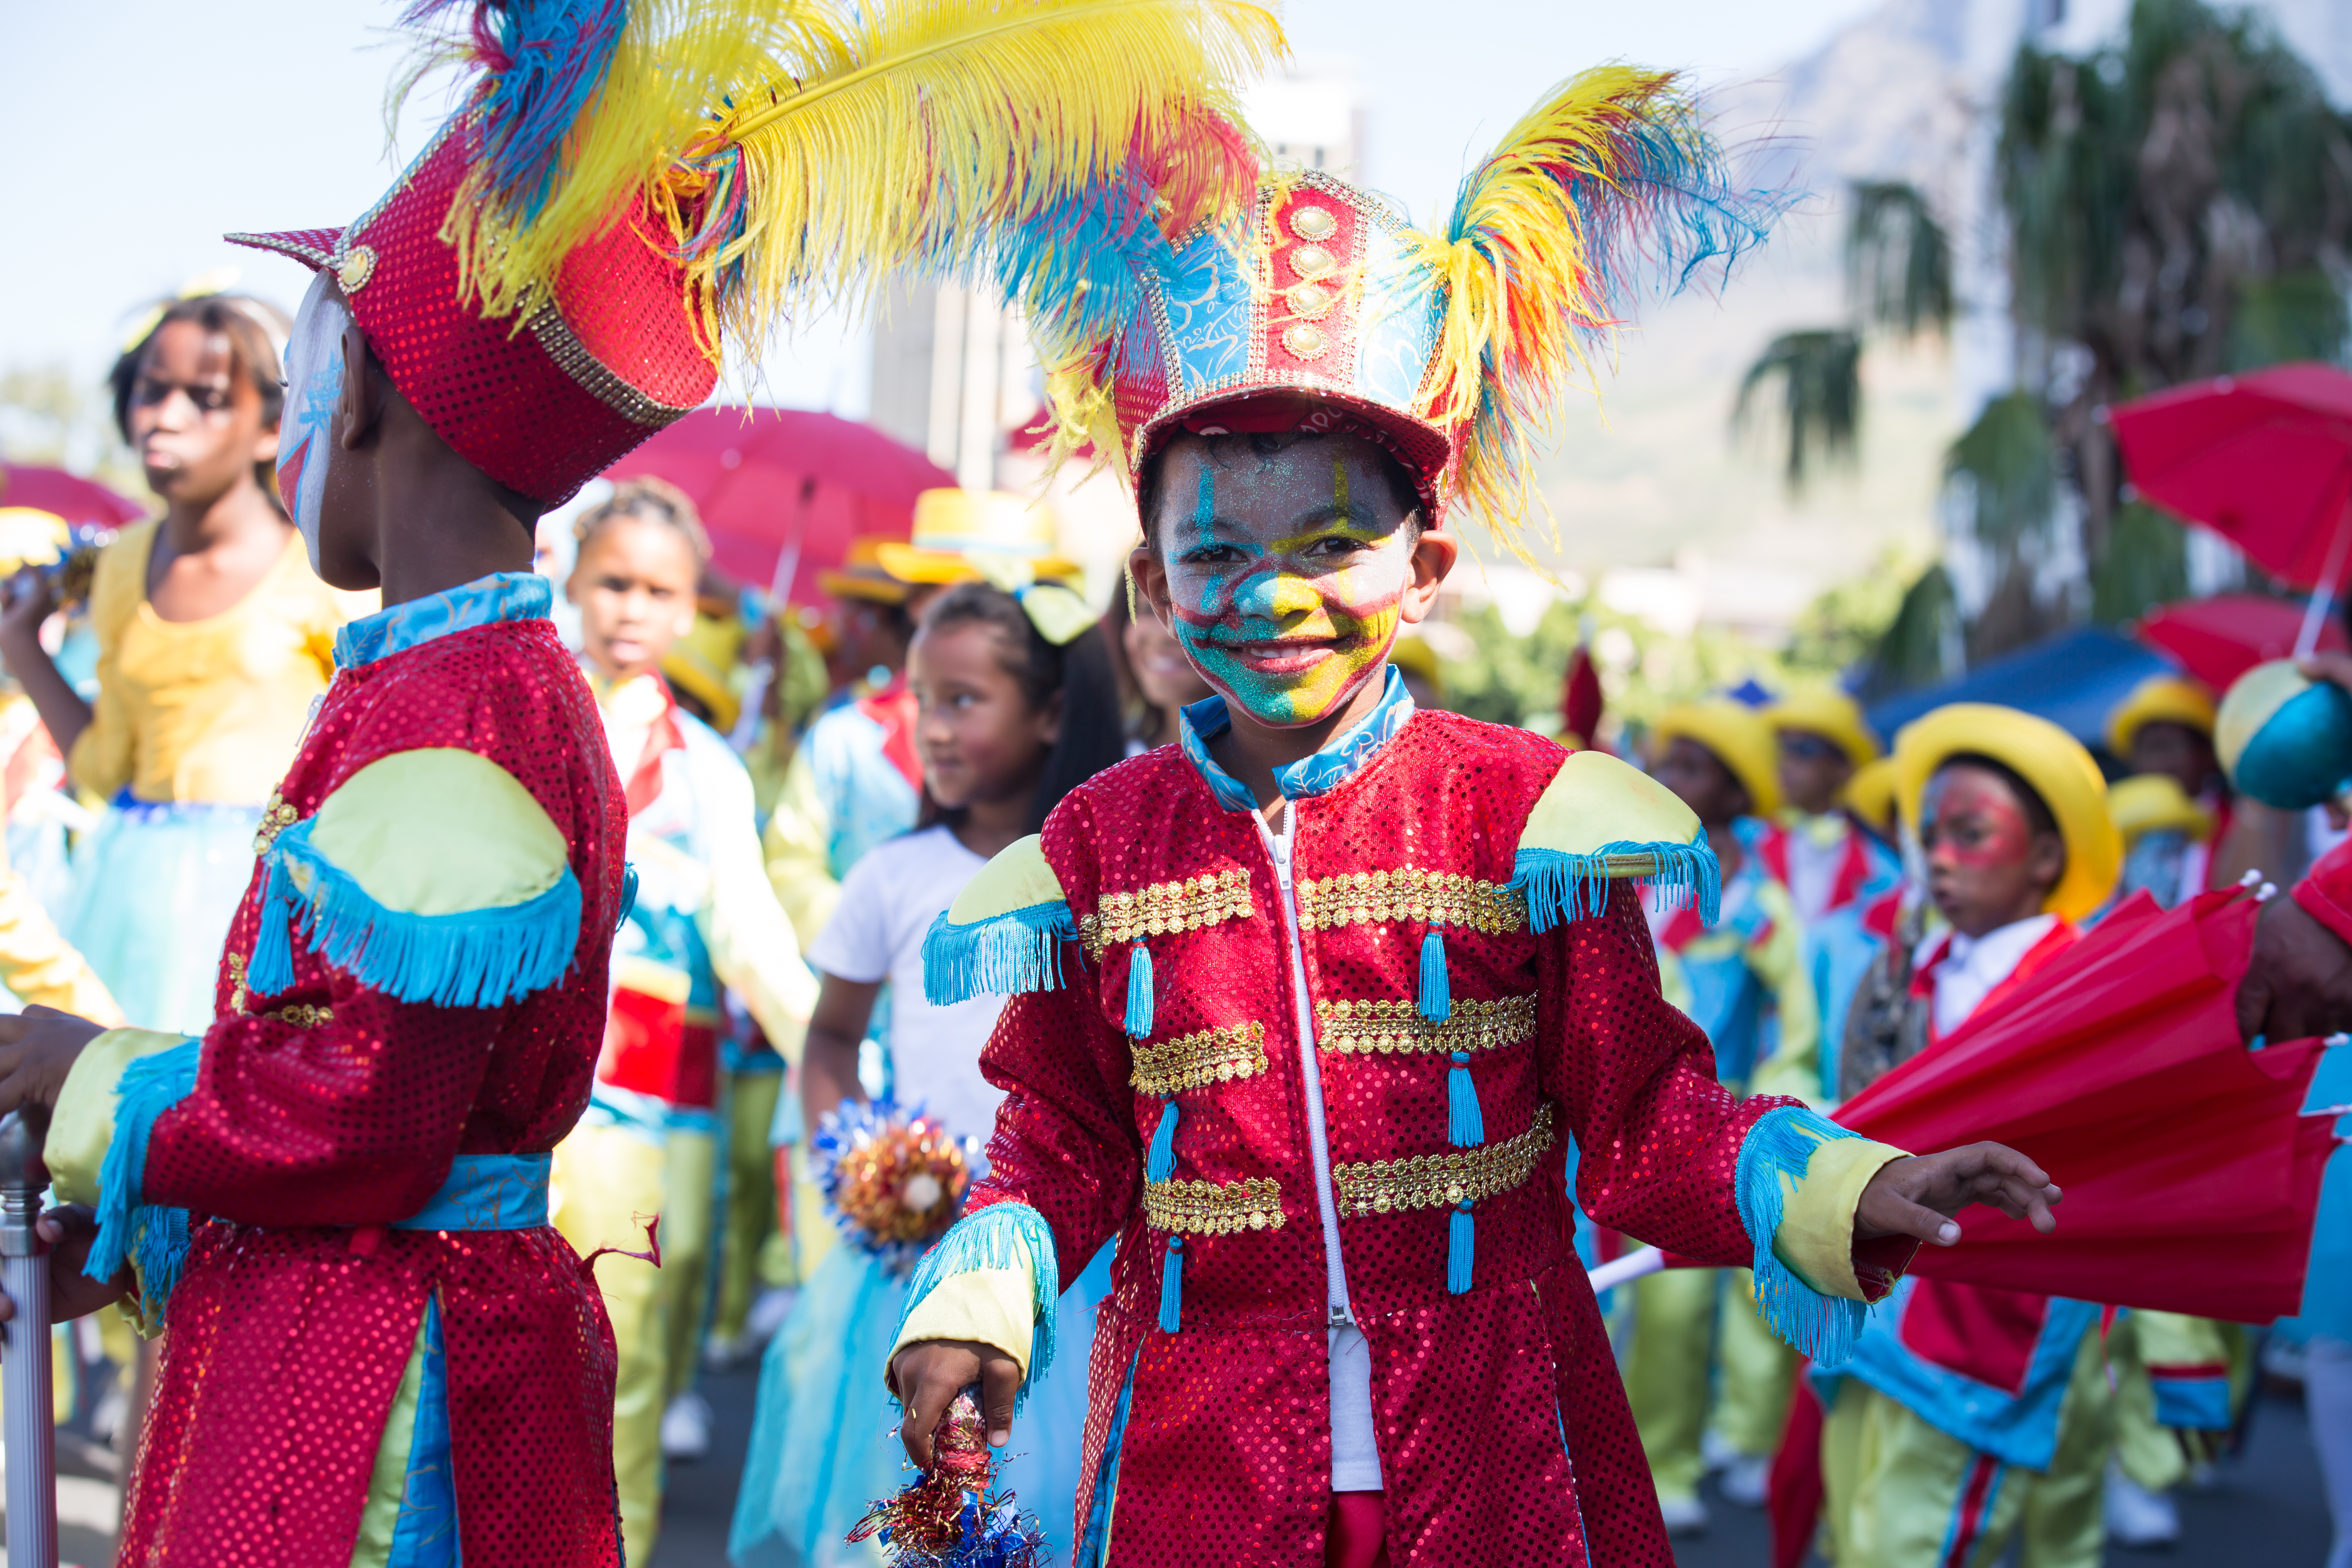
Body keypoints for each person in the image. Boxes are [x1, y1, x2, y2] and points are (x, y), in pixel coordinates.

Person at [0, 3, 1272, 1559]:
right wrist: (140, 1197)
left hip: (383, 1405)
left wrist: (92, 1074)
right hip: (373, 1337)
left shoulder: (460, 712)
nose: (292, 435)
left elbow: (366, 1126)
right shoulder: (447, 678)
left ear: (382, 403)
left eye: (310, 380)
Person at [884, 69, 2065, 1567]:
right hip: (1195, 1459)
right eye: (1217, 552)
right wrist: (969, 1310)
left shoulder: (1527, 817)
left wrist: (1858, 1179)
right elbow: (1057, 1138)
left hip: (1502, 1439)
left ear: (1425, 570)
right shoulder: (1097, 849)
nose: (1273, 594)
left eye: (1330, 542)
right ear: (1154, 585)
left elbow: (1644, 1123)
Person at [731, 578, 1126, 1566]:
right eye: (921, 699)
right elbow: (828, 1038)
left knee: (1046, 1504)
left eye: (963, 699)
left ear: (1047, 712)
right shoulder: (891, 875)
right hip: (914, 1251)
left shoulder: (1099, 880)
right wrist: (861, 1154)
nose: (934, 728)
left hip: (1059, 1261)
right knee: (895, 1516)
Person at [548, 477, 818, 1563]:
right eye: (612, 581)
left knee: (628, 1372)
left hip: (641, 1109)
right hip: (500, 1108)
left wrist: (843, 1058)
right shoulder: (517, 715)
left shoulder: (706, 773)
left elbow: (750, 936)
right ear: (570, 581)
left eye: (659, 591)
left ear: (692, 607)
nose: (630, 608)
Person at [0, 294, 365, 1033]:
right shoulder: (121, 565)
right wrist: (21, 649)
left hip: (266, 901)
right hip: (120, 892)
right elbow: (106, 769)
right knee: (104, 1114)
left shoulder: (322, 569)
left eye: (204, 398)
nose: (163, 416)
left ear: (272, 426)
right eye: (150, 389)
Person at [1817, 704, 2124, 1568]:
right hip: (1877, 1307)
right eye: (1932, 836)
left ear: (2048, 857)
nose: (1941, 858)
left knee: (1915, 1545)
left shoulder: (2086, 986)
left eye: (1972, 833)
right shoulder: (1900, 971)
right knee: (1856, 1531)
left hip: (1989, 1322)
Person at [1639, 698, 1822, 1524]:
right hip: (1645, 1127)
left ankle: (1751, 1437)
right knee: (1665, 1304)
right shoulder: (1631, 881)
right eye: (1667, 763)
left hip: (1738, 1125)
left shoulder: (1761, 905)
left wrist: (1774, 1106)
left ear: (1735, 794)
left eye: (1690, 767)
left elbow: (1801, 1019)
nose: (1669, 779)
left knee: (1762, 1287)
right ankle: (1666, 1465)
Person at [2105, 673, 2227, 904]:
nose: (2160, 762)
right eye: (2150, 749)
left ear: (2207, 754)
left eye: (2171, 746)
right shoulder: (2117, 834)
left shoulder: (2236, 825)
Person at [1104, 567, 1215, 753]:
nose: (1163, 635)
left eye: (1186, 613)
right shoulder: (1101, 759)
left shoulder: (1273, 773)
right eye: (1150, 610)